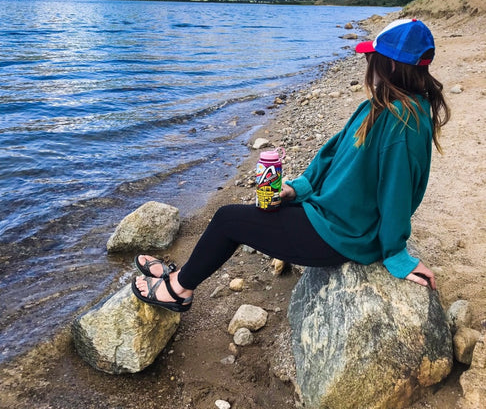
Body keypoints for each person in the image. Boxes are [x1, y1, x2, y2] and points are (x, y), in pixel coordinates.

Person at [132, 18, 450, 312]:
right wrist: (296, 189)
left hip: (344, 236)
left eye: (372, 56)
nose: (367, 62)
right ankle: (183, 272)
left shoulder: (404, 123)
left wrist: (396, 255)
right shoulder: (378, 106)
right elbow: (330, 155)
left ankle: (178, 290)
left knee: (228, 220)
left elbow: (397, 192)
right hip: (328, 214)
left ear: (392, 64)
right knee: (256, 210)